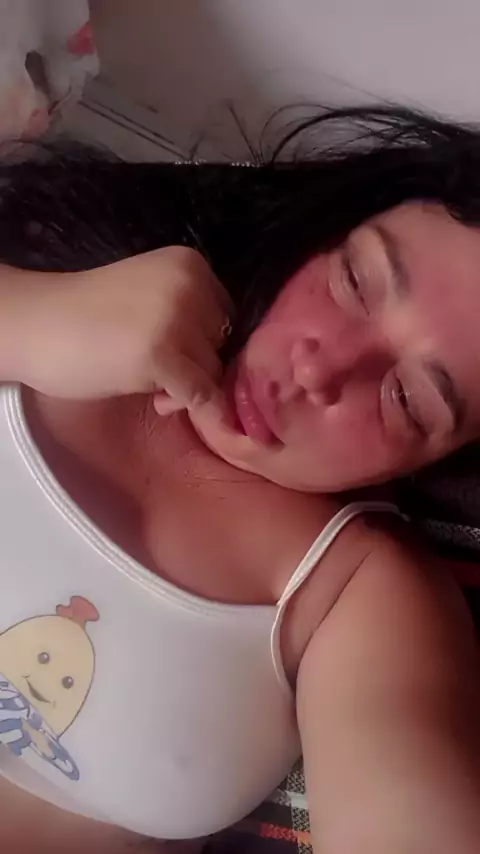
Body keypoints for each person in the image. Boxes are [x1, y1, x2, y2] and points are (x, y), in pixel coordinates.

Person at [1, 105, 480, 853]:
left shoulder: (357, 591)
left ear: (436, 462)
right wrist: (23, 319)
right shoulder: (66, 266)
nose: (319, 370)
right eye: (356, 280)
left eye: (408, 399)